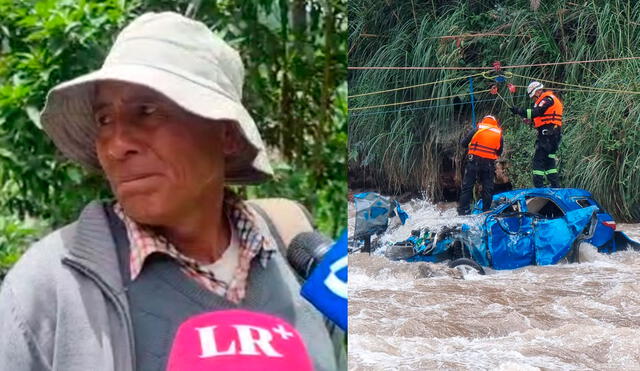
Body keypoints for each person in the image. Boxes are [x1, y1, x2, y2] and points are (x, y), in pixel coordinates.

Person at [0, 12, 344, 371]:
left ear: (225, 133)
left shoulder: (301, 263)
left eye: (147, 111)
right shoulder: (47, 289)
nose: (116, 146)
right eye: (104, 120)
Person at [510, 81, 563, 188]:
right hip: (553, 135)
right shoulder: (549, 100)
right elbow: (543, 116)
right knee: (549, 162)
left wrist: (519, 111)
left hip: (548, 135)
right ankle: (555, 186)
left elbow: (536, 112)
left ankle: (539, 187)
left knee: (538, 160)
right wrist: (531, 120)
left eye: (533, 97)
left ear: (537, 92)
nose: (534, 99)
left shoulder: (547, 99)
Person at [457, 115, 504, 215]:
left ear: (484, 121)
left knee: (467, 187)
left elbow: (463, 144)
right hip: (488, 165)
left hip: (474, 162)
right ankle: (486, 211)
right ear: (495, 122)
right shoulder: (498, 133)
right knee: (487, 188)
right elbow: (499, 152)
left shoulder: (478, 129)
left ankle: (463, 211)